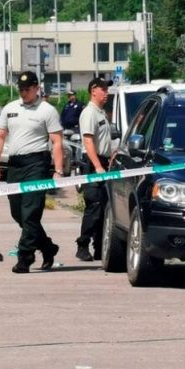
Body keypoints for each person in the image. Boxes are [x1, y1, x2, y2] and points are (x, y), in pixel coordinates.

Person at [0, 71, 64, 274]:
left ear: (36, 88)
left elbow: (57, 142)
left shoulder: (47, 110)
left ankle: (25, 257)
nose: (23, 92)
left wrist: (58, 170)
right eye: (21, 89)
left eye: (27, 89)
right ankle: (48, 247)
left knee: (30, 213)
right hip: (15, 165)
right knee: (18, 213)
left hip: (36, 165)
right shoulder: (10, 108)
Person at [75, 77, 114, 262]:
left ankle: (99, 247)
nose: (106, 93)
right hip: (93, 164)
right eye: (103, 89)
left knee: (104, 207)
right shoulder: (89, 113)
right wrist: (98, 165)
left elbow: (104, 141)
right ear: (93, 91)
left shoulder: (101, 113)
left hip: (103, 162)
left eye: (107, 89)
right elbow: (88, 141)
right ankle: (82, 245)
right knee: (94, 206)